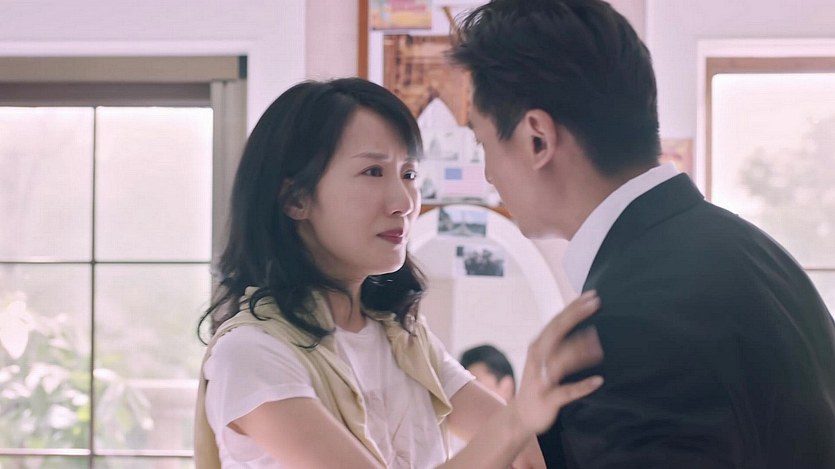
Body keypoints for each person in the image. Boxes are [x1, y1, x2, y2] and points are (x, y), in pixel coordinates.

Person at [450, 1, 835, 468]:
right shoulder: (757, 253)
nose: (488, 173)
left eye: (483, 143)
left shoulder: (619, 325)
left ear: (538, 139)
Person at [193, 77, 605, 468]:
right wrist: (519, 418)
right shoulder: (249, 354)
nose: (404, 202)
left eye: (409, 174)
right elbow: (510, 431)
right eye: (373, 172)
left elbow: (525, 452)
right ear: (296, 199)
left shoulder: (404, 340)